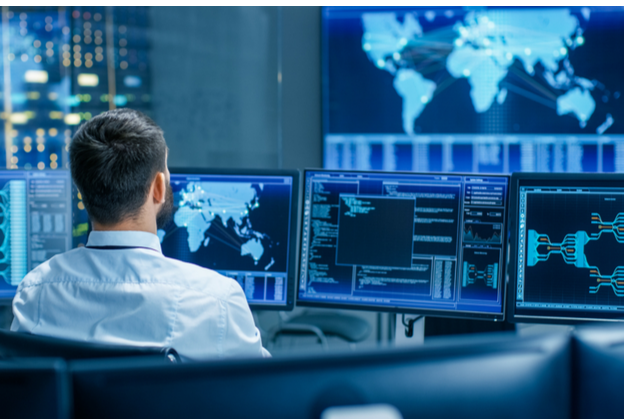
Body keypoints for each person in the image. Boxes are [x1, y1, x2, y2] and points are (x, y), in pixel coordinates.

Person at [11, 109, 270, 360]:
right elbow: (263, 393)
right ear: (158, 187)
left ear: (83, 193)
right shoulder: (216, 301)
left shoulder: (35, 293)